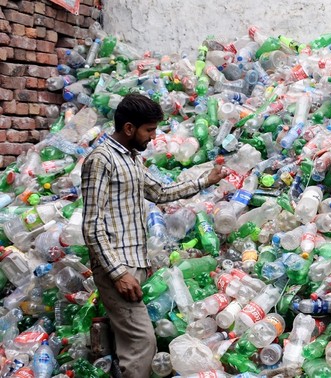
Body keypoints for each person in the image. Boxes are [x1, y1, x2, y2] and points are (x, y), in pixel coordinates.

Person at [81, 93, 226, 378]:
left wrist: (204, 181)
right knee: (141, 344)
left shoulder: (132, 160)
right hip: (117, 267)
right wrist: (119, 273)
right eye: (149, 130)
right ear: (129, 128)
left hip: (134, 263)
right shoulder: (100, 160)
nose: (153, 136)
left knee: (130, 340)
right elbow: (92, 224)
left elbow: (159, 192)